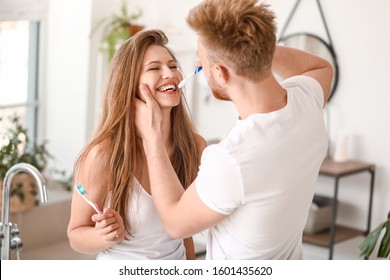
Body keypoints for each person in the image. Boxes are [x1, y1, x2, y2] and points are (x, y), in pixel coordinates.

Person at [134, 0, 334, 260]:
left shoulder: (231, 159)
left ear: (220, 73)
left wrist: (151, 137)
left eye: (202, 60)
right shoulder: (307, 101)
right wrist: (253, 47)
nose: (197, 66)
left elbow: (174, 224)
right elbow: (322, 67)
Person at [67, 29, 207, 260]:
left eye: (173, 66)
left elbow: (185, 232)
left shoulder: (194, 146)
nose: (169, 73)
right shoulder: (103, 155)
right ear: (128, 85)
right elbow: (75, 235)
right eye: (154, 68)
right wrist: (104, 236)